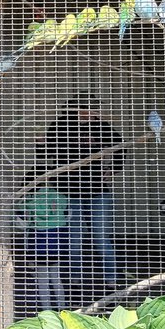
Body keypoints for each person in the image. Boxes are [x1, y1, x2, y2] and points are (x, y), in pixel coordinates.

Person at [39, 95, 124, 289]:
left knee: (101, 237)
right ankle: (74, 278)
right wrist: (40, 144)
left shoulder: (102, 127)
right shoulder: (60, 126)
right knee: (74, 239)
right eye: (86, 109)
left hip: (97, 189)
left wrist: (114, 169)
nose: (91, 113)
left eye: (94, 109)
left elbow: (121, 147)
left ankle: (113, 278)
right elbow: (46, 155)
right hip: (68, 190)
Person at [14, 176, 71, 312]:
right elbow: (68, 216)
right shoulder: (59, 197)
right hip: (58, 244)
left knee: (42, 282)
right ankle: (63, 310)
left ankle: (47, 313)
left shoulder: (27, 202)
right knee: (56, 278)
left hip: (39, 245)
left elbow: (21, 224)